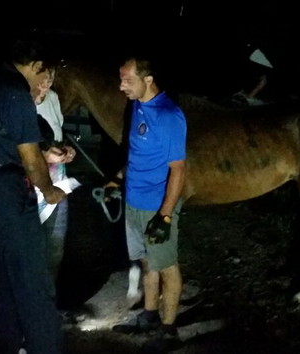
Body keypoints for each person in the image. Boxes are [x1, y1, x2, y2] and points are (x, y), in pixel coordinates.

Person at [0, 34, 65, 354]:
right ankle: (45, 346)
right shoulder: (15, 93)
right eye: (43, 73)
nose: (44, 81)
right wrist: (49, 190)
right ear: (34, 65)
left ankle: (2, 346)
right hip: (5, 192)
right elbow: (30, 158)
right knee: (32, 280)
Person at [109, 56, 187, 350]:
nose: (121, 86)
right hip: (133, 202)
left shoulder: (169, 115)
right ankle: (150, 316)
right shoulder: (138, 106)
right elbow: (138, 155)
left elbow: (179, 169)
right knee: (147, 263)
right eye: (121, 79)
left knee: (167, 266)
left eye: (127, 80)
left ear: (148, 80)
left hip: (156, 207)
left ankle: (169, 331)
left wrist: (165, 215)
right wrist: (117, 178)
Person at [33, 75, 76, 283]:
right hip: (29, 191)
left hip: (58, 184)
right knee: (31, 251)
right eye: (40, 80)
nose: (45, 86)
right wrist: (45, 156)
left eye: (50, 80)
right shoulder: (18, 103)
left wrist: (65, 150)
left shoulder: (52, 98)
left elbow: (57, 136)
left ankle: (50, 305)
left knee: (55, 250)